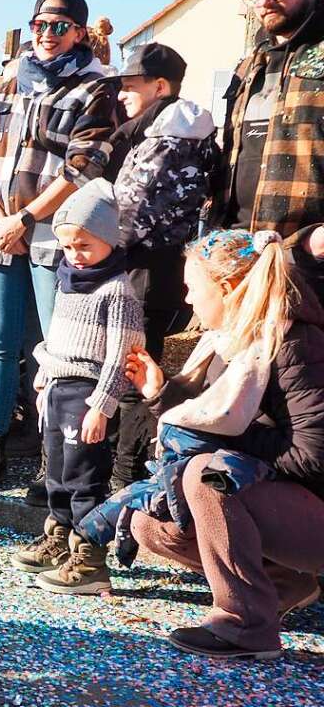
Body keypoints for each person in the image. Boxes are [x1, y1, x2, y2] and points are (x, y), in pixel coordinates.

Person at [127, 228, 324, 659]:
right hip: (282, 497)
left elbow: (313, 456)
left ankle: (245, 626)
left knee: (210, 475)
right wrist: (161, 395)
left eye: (193, 288)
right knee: (151, 524)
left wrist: (225, 441)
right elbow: (209, 416)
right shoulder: (227, 341)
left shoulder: (293, 341)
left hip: (313, 505)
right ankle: (282, 586)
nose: (188, 301)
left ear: (227, 287)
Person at [0, 0, 118, 484]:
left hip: (55, 235)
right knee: (0, 342)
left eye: (58, 25)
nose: (46, 34)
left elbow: (83, 166)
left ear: (78, 31)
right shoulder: (10, 80)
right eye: (39, 24)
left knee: (57, 348)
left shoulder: (94, 86)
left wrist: (26, 219)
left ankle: (54, 463)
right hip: (0, 230)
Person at [10, 180, 144, 593]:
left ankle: (89, 556)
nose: (75, 255)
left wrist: (102, 407)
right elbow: (56, 333)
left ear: (107, 239)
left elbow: (122, 355)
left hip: (87, 393)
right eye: (68, 247)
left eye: (84, 245)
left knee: (85, 474)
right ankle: (59, 535)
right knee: (57, 470)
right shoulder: (68, 280)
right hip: (57, 389)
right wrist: (44, 369)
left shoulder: (117, 291)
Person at [106, 43, 219, 488]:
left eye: (130, 87)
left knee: (134, 369)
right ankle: (120, 468)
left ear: (159, 86)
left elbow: (129, 215)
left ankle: (124, 476)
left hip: (145, 275)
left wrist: (96, 246)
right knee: (132, 364)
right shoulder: (160, 132)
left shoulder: (169, 141)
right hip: (146, 271)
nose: (121, 95)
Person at [212, 0, 324, 296]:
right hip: (243, 255)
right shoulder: (248, 66)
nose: (263, 1)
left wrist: (318, 242)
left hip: (308, 262)